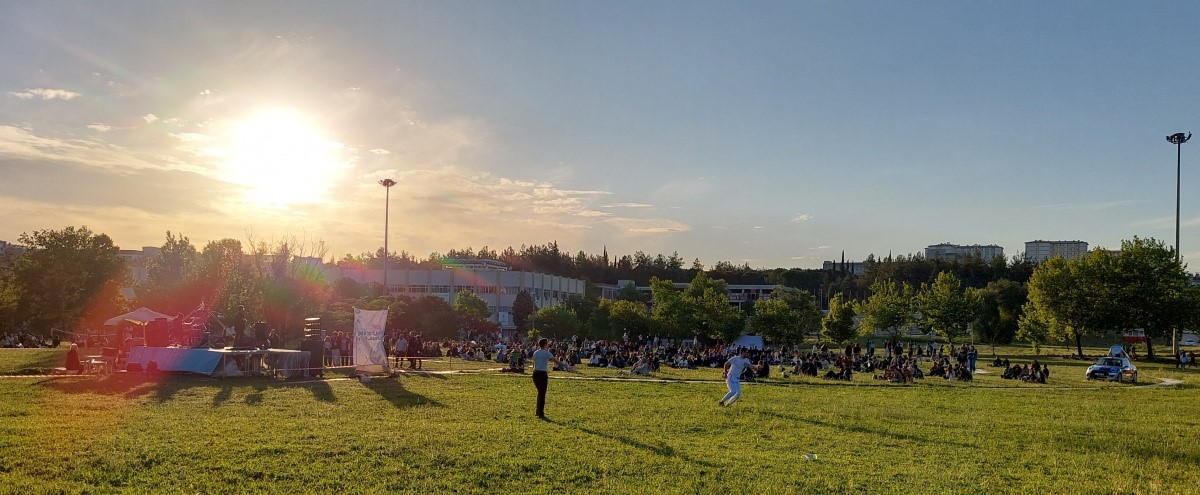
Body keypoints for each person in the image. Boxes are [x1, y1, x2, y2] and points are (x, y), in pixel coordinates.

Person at [532, 338, 559, 419]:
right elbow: (556, 361)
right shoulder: (547, 353)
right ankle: (541, 413)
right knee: (542, 393)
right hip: (542, 374)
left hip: (535, 373)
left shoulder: (535, 352)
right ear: (545, 345)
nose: (548, 345)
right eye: (547, 343)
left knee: (539, 392)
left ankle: (538, 411)